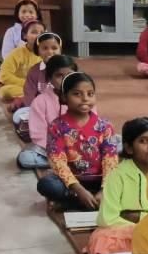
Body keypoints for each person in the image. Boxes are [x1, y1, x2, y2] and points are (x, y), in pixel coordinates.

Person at [36, 72, 120, 209]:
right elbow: (57, 161)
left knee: (127, 179)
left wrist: (104, 189)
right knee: (46, 184)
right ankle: (85, 199)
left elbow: (110, 159)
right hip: (71, 182)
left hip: (100, 180)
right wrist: (79, 190)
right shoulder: (56, 126)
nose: (85, 99)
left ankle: (73, 202)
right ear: (64, 97)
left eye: (90, 94)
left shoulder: (105, 126)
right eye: (77, 94)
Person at [88, 117, 148, 254]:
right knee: (101, 240)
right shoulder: (117, 175)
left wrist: (137, 215)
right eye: (143, 141)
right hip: (130, 230)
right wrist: (144, 223)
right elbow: (107, 219)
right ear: (129, 148)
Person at [16, 55, 77, 170]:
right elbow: (39, 134)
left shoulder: (82, 97)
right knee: (25, 158)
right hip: (50, 150)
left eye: (69, 75)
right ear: (49, 78)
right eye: (59, 75)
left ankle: (70, 162)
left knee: (111, 142)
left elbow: (91, 124)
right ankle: (69, 163)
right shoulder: (40, 101)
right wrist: (57, 150)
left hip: (79, 147)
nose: (65, 79)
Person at [12, 32, 63, 134]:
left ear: (60, 50)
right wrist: (36, 109)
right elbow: (29, 93)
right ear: (38, 51)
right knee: (17, 116)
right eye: (45, 48)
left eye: (54, 48)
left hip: (61, 107)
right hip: (38, 108)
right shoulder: (34, 70)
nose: (50, 51)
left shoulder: (66, 69)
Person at [0, 20, 44, 101]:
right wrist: (28, 84)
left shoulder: (47, 53)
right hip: (21, 86)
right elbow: (4, 76)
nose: (39, 35)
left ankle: (34, 97)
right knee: (4, 91)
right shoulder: (16, 53)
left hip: (42, 87)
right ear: (25, 35)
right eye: (34, 32)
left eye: (42, 33)